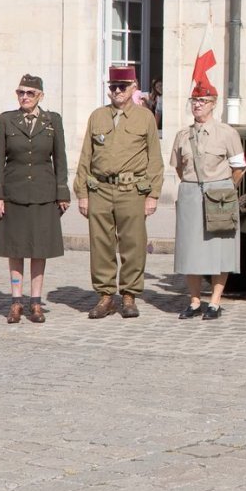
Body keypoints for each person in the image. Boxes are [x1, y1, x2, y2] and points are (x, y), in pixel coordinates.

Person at [74, 65, 164, 319]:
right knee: (100, 244)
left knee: (133, 244)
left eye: (122, 87)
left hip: (131, 190)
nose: (117, 91)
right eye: (113, 87)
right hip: (100, 188)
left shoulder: (145, 117)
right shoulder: (97, 116)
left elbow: (155, 160)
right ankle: (105, 296)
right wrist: (82, 193)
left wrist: (153, 195)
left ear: (133, 87)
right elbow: (85, 157)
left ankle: (129, 294)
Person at [0, 75, 70, 324]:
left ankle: (35, 302)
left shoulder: (52, 121)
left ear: (40, 96)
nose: (24, 97)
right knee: (15, 248)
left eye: (30, 93)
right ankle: (16, 302)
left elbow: (60, 159)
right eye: (20, 92)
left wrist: (62, 192)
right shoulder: (6, 120)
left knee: (39, 248)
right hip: (14, 194)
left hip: (43, 194)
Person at [170, 81, 246, 320]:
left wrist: (224, 188)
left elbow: (239, 167)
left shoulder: (227, 133)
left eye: (202, 101)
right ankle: (194, 301)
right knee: (189, 249)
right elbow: (179, 168)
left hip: (219, 195)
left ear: (213, 104)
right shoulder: (182, 135)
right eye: (194, 101)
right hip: (191, 193)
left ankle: (214, 302)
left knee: (219, 248)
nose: (197, 105)